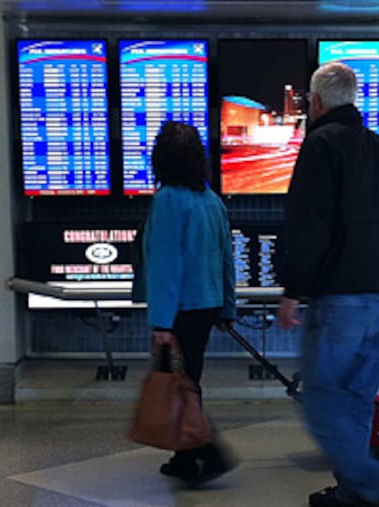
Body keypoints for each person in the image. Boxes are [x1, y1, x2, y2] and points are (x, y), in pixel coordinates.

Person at [277, 62, 379, 507]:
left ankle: (375, 489)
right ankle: (352, 492)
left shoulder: (320, 145)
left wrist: (292, 289)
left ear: (316, 102)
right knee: (358, 399)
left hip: (340, 299)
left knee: (321, 398)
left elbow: (309, 224)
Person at [136, 120, 238, 486]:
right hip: (207, 304)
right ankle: (185, 455)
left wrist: (161, 323)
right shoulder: (211, 200)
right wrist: (228, 308)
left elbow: (165, 264)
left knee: (177, 381)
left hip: (178, 308)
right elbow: (227, 257)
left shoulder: (167, 200)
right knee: (188, 378)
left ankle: (208, 452)